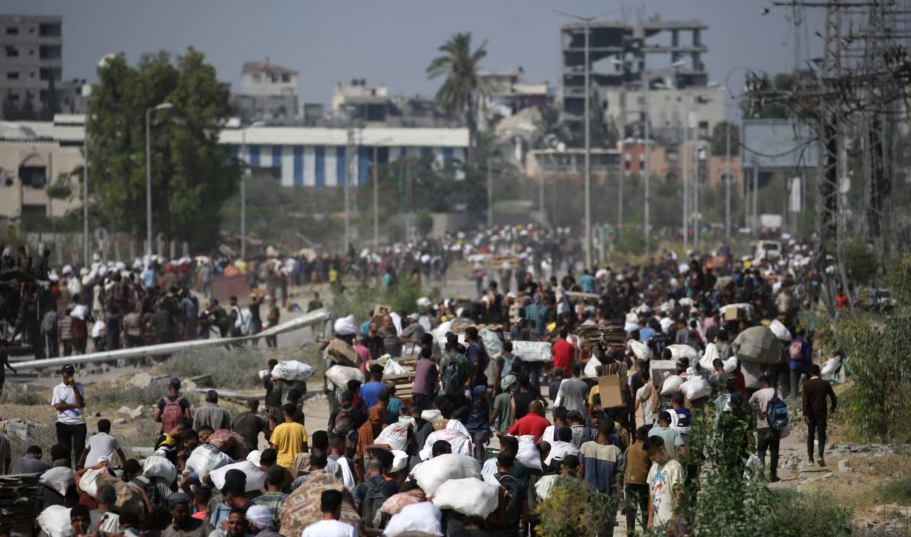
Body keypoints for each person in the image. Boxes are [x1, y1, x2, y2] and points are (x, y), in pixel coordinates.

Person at [578, 421, 623, 536]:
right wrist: (622, 501)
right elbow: (618, 481)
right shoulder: (616, 452)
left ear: (597, 430)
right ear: (612, 433)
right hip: (606, 501)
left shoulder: (585, 447)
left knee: (588, 532)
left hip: (588, 499)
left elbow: (580, 474)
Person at [646, 435, 685, 536]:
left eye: (652, 453)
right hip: (657, 523)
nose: (651, 458)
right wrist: (650, 519)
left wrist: (673, 521)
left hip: (672, 523)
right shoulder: (653, 469)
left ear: (661, 448)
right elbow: (652, 496)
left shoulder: (674, 467)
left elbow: (679, 496)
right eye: (649, 455)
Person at [802, 364, 837, 467]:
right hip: (821, 413)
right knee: (821, 434)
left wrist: (804, 413)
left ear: (810, 373)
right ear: (819, 372)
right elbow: (833, 398)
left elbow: (805, 401)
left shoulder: (806, 385)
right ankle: (820, 456)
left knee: (811, 435)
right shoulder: (825, 384)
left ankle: (810, 459)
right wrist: (832, 408)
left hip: (810, 414)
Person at [52, 364, 87, 468]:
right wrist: (75, 405)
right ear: (62, 374)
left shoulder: (79, 385)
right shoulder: (58, 388)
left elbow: (80, 402)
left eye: (71, 373)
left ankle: (79, 472)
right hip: (63, 422)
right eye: (67, 373)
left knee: (79, 451)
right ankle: (66, 471)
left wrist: (73, 386)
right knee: (64, 451)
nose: (69, 375)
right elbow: (58, 406)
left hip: (78, 422)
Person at [749, 376, 781, 482]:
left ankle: (761, 475)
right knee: (774, 451)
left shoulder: (757, 394)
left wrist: (758, 410)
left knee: (761, 451)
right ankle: (772, 475)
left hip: (762, 426)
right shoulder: (777, 392)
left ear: (762, 384)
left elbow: (750, 402)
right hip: (774, 426)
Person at [623, 426, 652, 537]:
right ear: (646, 437)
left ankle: (630, 533)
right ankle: (646, 531)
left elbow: (624, 464)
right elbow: (650, 465)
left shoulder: (629, 449)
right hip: (643, 482)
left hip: (630, 481)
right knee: (644, 509)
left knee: (631, 510)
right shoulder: (647, 450)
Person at [270, 403, 309, 469]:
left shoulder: (278, 428)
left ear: (284, 412)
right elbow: (305, 448)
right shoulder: (301, 428)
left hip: (281, 464)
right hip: (296, 464)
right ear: (295, 413)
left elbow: (274, 448)